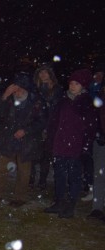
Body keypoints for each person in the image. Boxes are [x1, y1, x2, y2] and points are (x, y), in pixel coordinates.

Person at [0, 73, 46, 207]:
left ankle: (20, 197)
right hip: (8, 139)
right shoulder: (9, 99)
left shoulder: (36, 101)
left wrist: (26, 131)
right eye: (14, 88)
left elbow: (42, 121)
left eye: (19, 88)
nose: (16, 91)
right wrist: (5, 95)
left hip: (26, 141)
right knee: (2, 168)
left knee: (24, 170)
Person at [44, 69, 99, 218]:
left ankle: (71, 205)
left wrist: (85, 146)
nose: (73, 86)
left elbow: (90, 127)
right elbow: (54, 122)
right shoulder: (63, 101)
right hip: (60, 144)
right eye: (71, 83)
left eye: (76, 84)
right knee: (60, 175)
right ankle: (59, 201)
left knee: (74, 176)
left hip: (76, 145)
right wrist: (51, 139)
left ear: (83, 86)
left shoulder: (87, 103)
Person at [31, 64, 63, 190]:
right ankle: (31, 179)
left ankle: (42, 181)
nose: (43, 74)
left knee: (46, 155)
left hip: (51, 126)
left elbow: (55, 108)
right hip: (36, 125)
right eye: (41, 72)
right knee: (32, 154)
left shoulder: (57, 89)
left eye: (45, 72)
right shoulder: (35, 89)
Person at [86, 83, 105, 222]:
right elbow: (94, 118)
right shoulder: (99, 97)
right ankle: (97, 208)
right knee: (99, 175)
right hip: (101, 141)